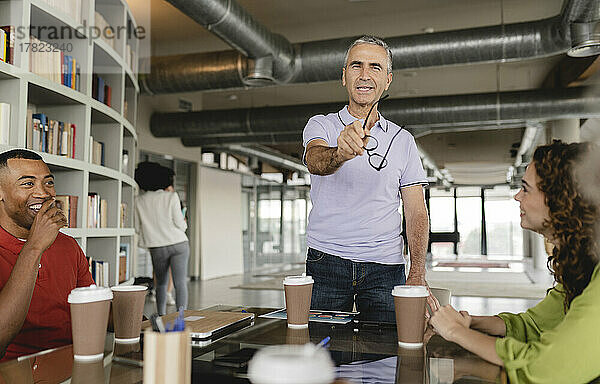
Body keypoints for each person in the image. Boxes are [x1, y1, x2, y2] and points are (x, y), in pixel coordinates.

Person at [429, 140, 600, 384]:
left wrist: (456, 332)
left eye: (526, 189)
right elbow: (533, 325)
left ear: (560, 199)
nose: (517, 196)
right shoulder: (582, 264)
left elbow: (546, 369)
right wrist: (471, 322)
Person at [302, 35, 434, 322]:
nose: (364, 75)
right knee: (322, 356)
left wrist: (417, 273)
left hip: (386, 267)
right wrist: (340, 153)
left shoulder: (403, 140)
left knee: (387, 356)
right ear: (344, 76)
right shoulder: (321, 125)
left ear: (388, 80)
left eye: (375, 67)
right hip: (326, 261)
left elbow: (415, 210)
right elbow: (315, 161)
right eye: (356, 66)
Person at [0, 149, 94, 361]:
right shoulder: (38, 244)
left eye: (48, 182)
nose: (43, 193)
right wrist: (34, 247)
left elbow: (90, 308)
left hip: (72, 364)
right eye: (27, 183)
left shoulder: (68, 245)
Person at [135, 162, 189, 315]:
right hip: (178, 244)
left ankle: (161, 315)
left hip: (157, 246)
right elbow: (180, 224)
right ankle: (181, 317)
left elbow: (138, 228)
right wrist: (184, 225)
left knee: (161, 284)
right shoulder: (171, 196)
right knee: (180, 283)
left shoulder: (139, 200)